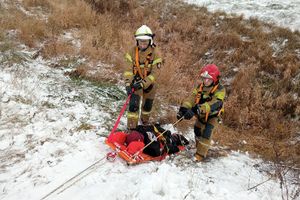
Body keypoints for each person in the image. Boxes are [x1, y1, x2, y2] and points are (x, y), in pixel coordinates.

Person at [176, 64, 226, 161]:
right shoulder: (200, 87)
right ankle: (199, 147)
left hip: (213, 116)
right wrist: (184, 109)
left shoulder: (220, 89)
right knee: (197, 130)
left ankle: (200, 155)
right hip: (201, 114)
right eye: (204, 78)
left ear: (215, 79)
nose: (206, 81)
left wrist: (198, 109)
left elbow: (215, 103)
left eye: (209, 79)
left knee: (207, 133)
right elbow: (192, 97)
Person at [123, 25, 163, 129]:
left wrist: (143, 83)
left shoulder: (156, 53)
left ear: (150, 41)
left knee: (147, 106)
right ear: (137, 41)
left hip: (150, 85)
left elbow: (155, 74)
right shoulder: (131, 52)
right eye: (140, 41)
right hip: (135, 82)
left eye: (145, 42)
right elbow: (128, 70)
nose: (143, 44)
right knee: (133, 106)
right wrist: (128, 83)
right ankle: (131, 128)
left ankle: (144, 122)